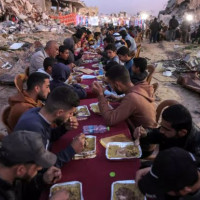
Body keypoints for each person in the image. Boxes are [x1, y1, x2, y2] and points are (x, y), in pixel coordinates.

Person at [14, 86, 86, 168]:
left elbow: (47, 137)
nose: (71, 116)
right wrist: (72, 150)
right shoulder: (34, 128)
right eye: (70, 113)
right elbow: (43, 168)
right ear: (59, 112)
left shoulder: (38, 112)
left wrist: (64, 128)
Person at [0, 130, 68, 200]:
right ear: (20, 170)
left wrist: (43, 179)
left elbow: (24, 192)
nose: (40, 168)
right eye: (37, 166)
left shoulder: (13, 175)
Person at [92, 64, 156, 129]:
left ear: (117, 84)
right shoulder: (139, 86)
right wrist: (120, 99)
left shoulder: (132, 98)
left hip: (142, 135)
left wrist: (100, 95)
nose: (111, 87)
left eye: (110, 84)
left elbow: (110, 120)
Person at [134, 104, 200, 158]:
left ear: (182, 132)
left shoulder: (195, 148)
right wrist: (145, 133)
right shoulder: (168, 130)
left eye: (166, 129)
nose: (161, 131)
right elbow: (156, 134)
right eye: (161, 126)